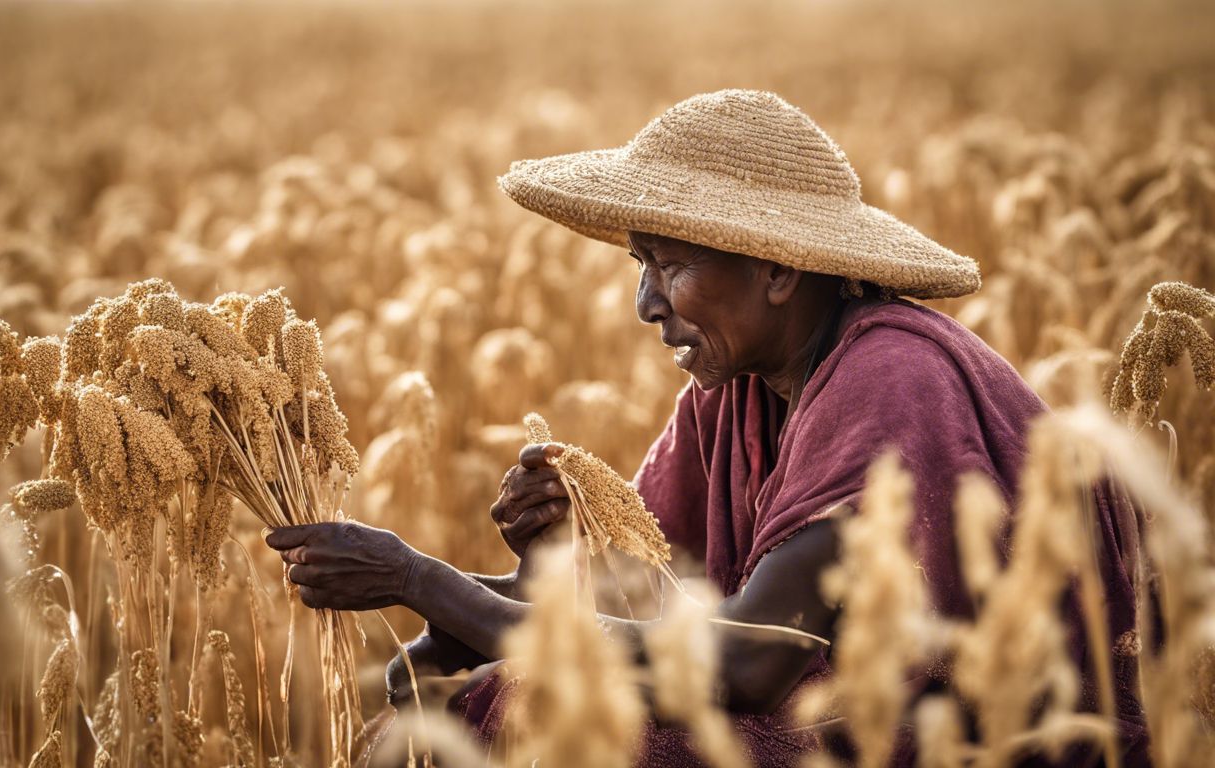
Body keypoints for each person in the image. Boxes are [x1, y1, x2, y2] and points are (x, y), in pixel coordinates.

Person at [264, 90, 1148, 765]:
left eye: (672, 265)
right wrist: (541, 568)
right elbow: (651, 592)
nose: (646, 303)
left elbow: (745, 667)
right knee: (446, 691)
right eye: (643, 264)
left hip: (971, 739)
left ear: (774, 269)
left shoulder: (890, 379)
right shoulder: (741, 386)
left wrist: (419, 577)